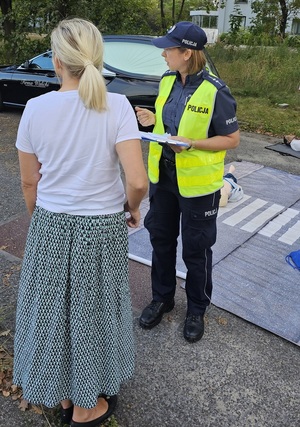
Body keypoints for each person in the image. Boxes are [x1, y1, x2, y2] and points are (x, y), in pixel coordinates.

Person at [13, 18, 148, 427]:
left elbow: (28, 181)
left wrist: (41, 219)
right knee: (95, 309)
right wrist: (131, 207)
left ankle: (70, 395)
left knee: (55, 310)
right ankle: (88, 405)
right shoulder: (117, 105)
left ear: (57, 62)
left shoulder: (35, 108)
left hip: (51, 222)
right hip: (101, 226)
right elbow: (138, 181)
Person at [136, 21, 240, 343]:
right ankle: (163, 298)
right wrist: (154, 121)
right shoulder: (168, 80)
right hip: (165, 179)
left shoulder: (215, 91)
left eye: (169, 49)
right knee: (161, 241)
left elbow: (232, 139)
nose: (164, 54)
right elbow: (170, 122)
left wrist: (192, 143)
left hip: (198, 188)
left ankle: (196, 309)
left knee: (196, 250)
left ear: (187, 53)